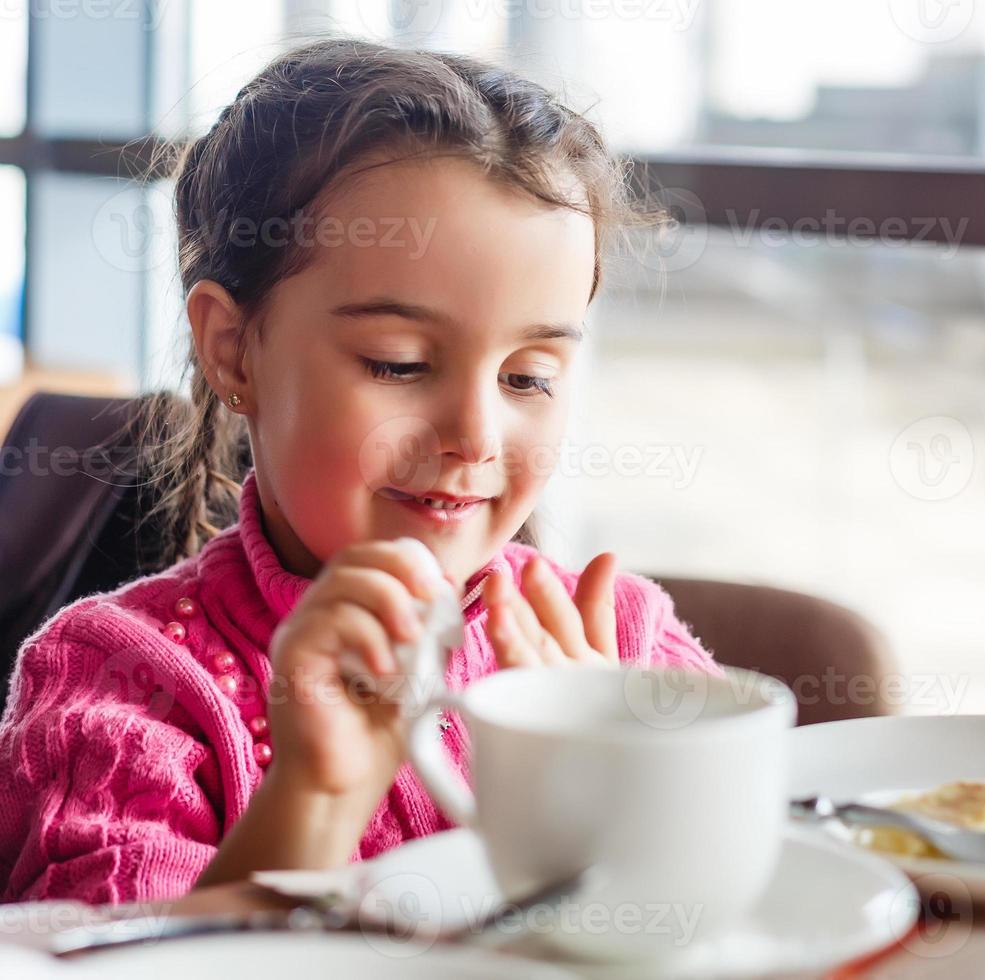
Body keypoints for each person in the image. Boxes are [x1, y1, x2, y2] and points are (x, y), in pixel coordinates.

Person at [0, 37, 717, 905]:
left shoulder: (623, 645)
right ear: (233, 350)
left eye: (528, 376)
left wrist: (641, 794)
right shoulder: (126, 685)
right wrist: (313, 802)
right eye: (399, 364)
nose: (474, 436)